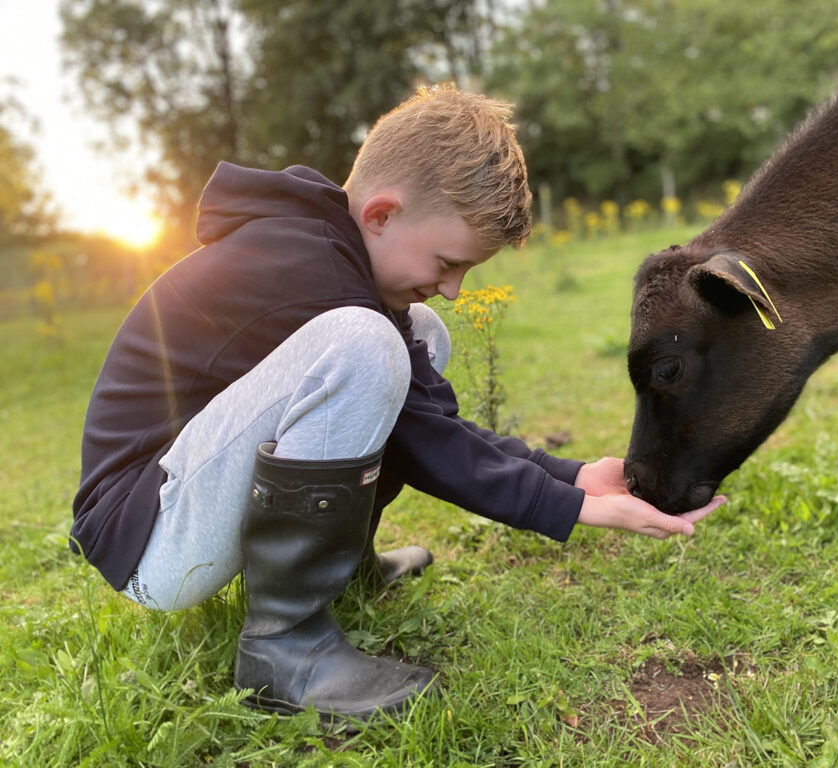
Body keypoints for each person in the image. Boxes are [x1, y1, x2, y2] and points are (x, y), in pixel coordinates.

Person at [70, 84, 724, 729]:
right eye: (448, 262)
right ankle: (284, 648)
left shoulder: (338, 258)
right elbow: (425, 442)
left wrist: (574, 474)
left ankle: (342, 569)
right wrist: (575, 507)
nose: (453, 287)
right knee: (368, 344)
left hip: (189, 497)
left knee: (413, 335)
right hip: (148, 534)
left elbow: (434, 425)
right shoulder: (307, 268)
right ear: (380, 215)